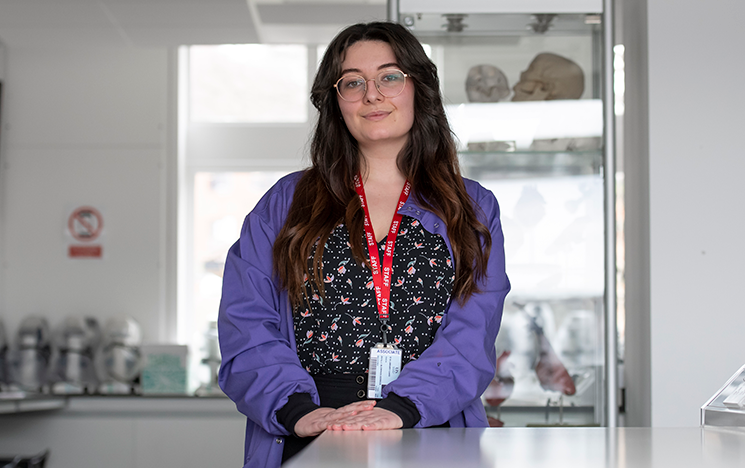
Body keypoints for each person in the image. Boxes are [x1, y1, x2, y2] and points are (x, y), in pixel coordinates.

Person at [218, 21, 510, 468]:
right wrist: (300, 412)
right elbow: (246, 322)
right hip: (312, 426)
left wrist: (399, 410)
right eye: (352, 82)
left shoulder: (471, 206)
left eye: (389, 77)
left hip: (427, 427)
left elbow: (472, 335)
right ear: (336, 102)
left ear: (419, 88)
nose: (372, 94)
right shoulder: (285, 203)